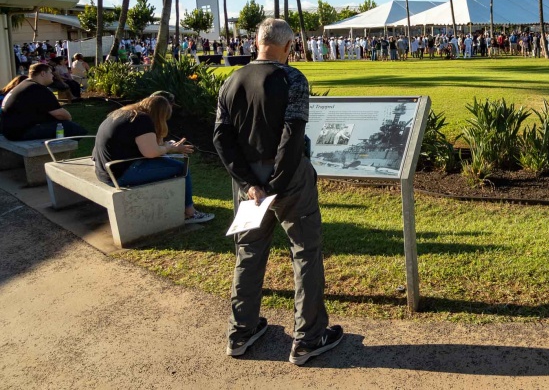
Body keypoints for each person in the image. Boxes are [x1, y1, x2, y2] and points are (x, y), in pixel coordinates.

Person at [214, 18, 342, 362]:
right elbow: (292, 134)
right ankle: (308, 337)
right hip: (288, 178)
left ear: (257, 43)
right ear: (289, 47)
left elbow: (221, 139)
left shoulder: (231, 81)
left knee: (249, 255)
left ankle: (240, 331)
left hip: (249, 181)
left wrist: (250, 184)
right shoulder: (292, 78)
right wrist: (276, 183)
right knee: (305, 252)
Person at [92, 93, 214, 224]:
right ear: (159, 114)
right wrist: (169, 148)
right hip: (119, 175)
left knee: (165, 160)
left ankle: (182, 205)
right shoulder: (142, 120)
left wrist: (165, 146)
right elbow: (151, 152)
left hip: (104, 170)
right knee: (181, 168)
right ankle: (190, 213)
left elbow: (146, 145)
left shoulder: (125, 113)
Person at [0, 63, 87, 140]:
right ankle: (60, 152)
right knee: (72, 128)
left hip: (9, 130)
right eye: (50, 73)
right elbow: (61, 114)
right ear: (42, 73)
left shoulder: (24, 85)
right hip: (20, 132)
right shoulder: (37, 89)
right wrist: (68, 119)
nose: (52, 76)